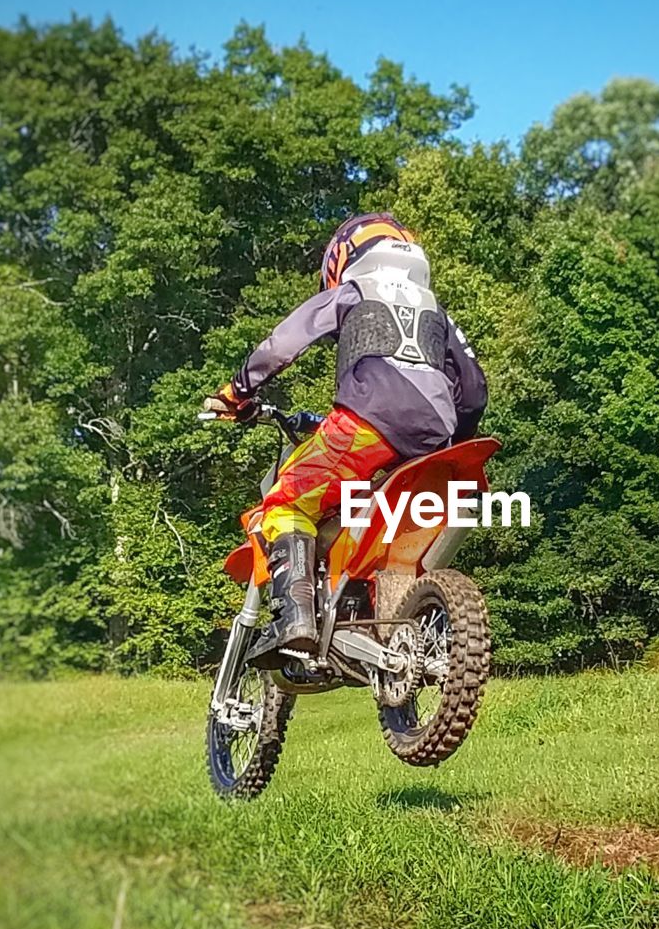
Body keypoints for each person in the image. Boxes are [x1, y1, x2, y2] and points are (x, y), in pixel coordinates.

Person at [204, 213, 488, 664]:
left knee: (285, 504)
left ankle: (294, 617)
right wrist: (454, 442)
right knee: (376, 520)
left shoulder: (356, 290)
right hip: (434, 437)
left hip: (366, 423)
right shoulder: (436, 309)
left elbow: (283, 343)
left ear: (343, 257)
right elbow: (472, 390)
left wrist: (237, 391)